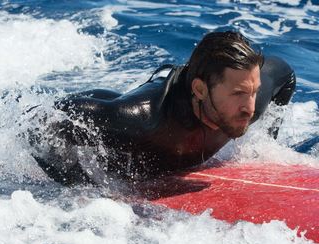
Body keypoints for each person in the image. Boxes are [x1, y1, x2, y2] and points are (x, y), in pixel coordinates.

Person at [27, 31, 296, 185]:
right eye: (239, 94)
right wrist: (82, 186)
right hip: (111, 110)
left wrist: (262, 147)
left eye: (254, 92)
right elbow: (41, 121)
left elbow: (286, 74)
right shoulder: (144, 120)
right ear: (201, 90)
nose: (249, 108)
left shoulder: (248, 105)